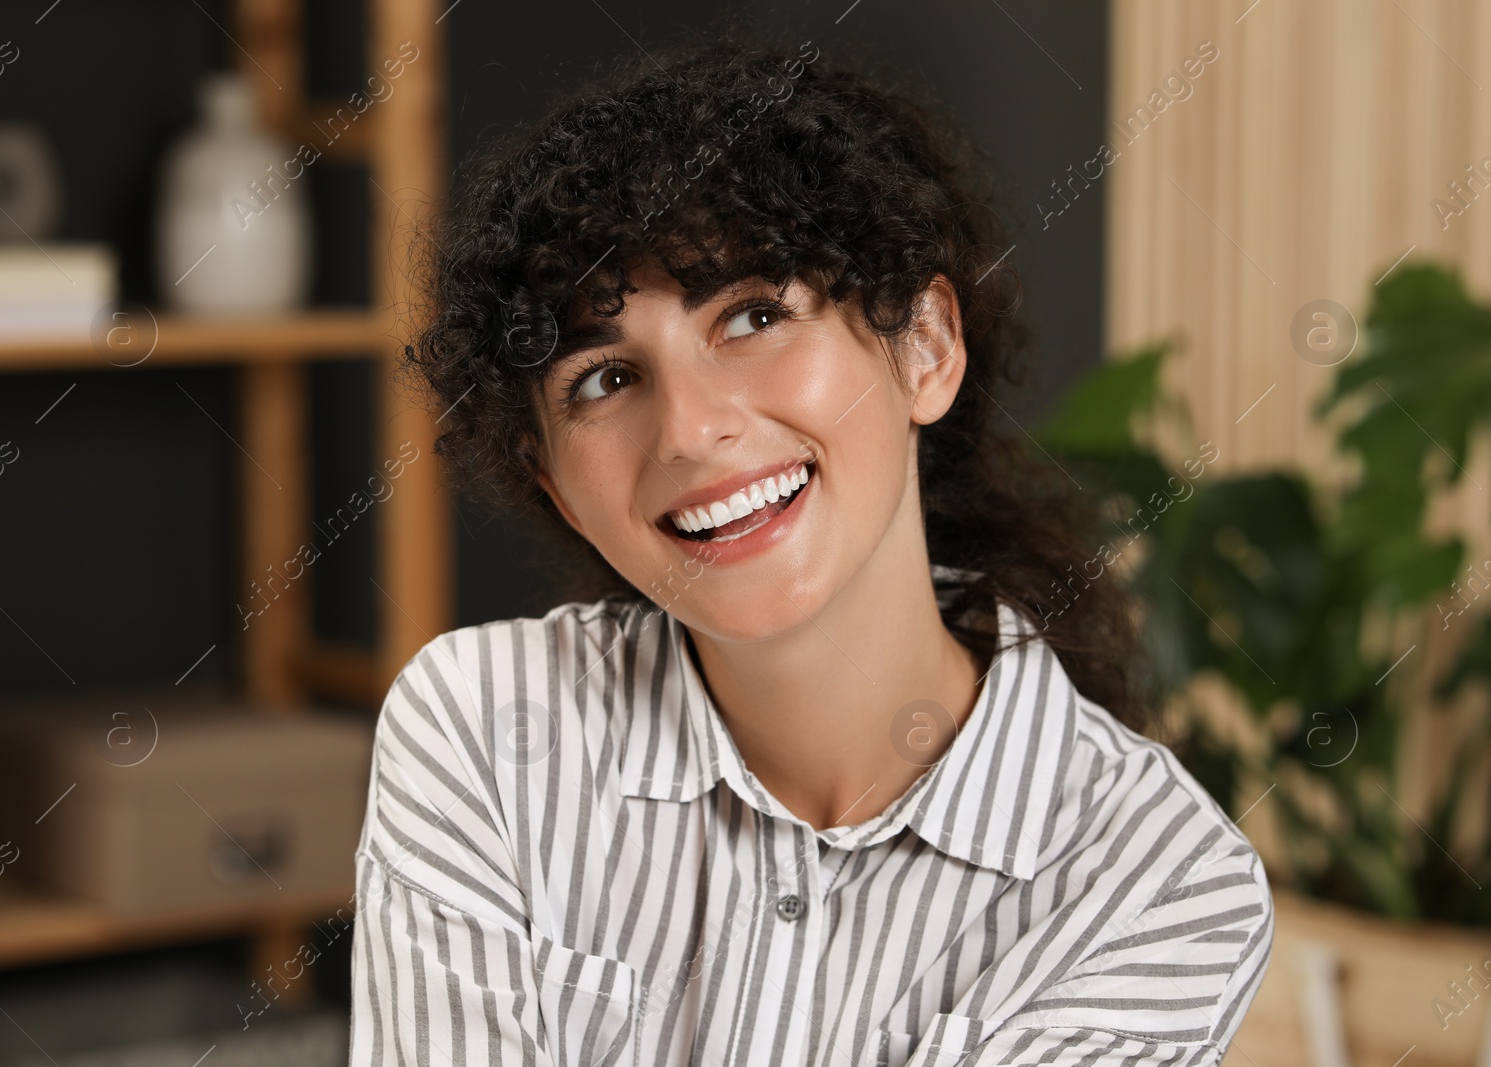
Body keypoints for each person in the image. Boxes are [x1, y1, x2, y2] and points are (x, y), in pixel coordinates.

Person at [350, 34, 1273, 1066]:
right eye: (604, 380)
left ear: (924, 347)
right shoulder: (482, 729)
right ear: (554, 483)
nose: (692, 430)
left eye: (751, 317)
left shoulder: (1164, 884)